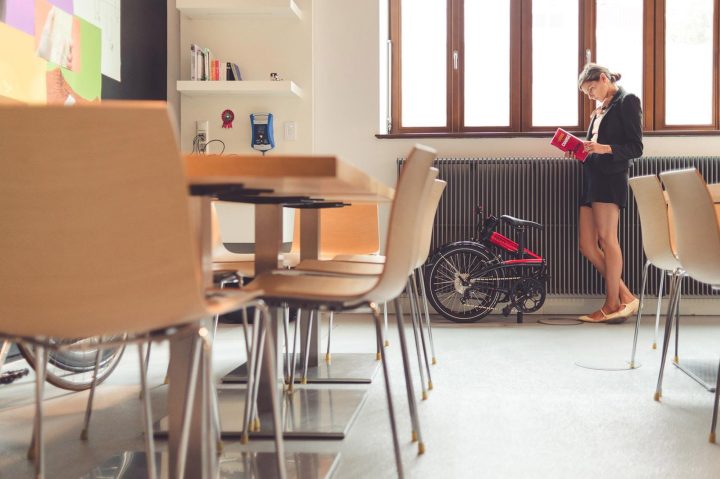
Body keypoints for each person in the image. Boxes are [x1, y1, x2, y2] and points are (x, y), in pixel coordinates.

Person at [567, 63, 643, 323]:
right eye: (586, 93)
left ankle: (612, 304)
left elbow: (636, 147)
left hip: (610, 178)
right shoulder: (601, 109)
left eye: (590, 90)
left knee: (607, 239)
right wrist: (580, 149)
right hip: (592, 177)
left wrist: (603, 148)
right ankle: (626, 296)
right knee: (587, 245)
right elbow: (595, 145)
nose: (590, 96)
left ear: (602, 78)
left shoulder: (627, 101)